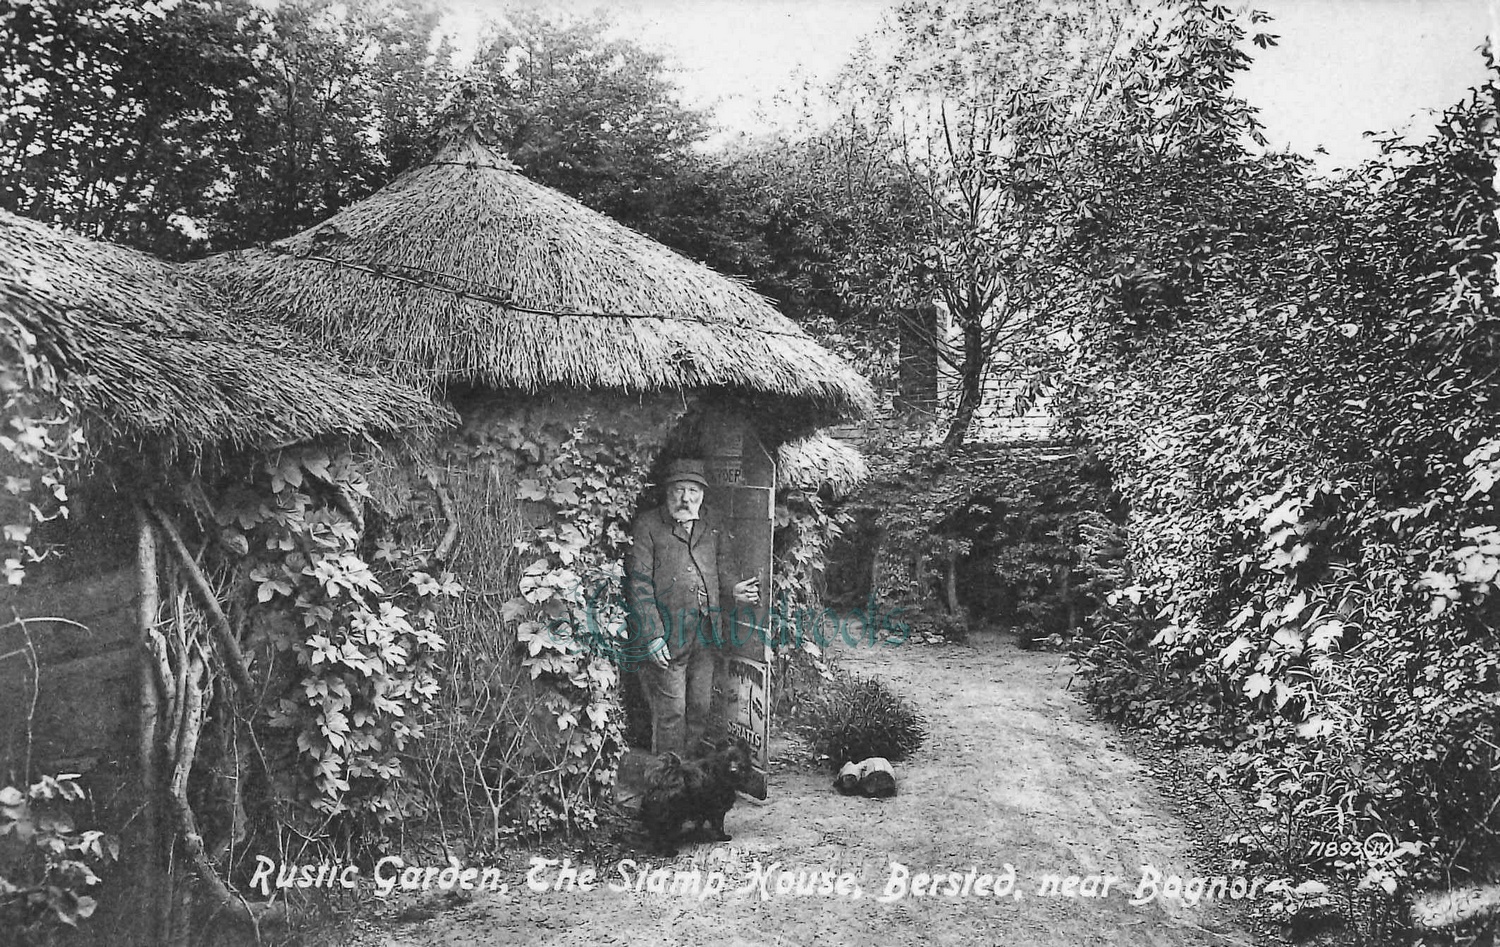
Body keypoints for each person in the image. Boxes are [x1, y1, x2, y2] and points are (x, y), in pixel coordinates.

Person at [626, 458, 759, 757]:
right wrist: (653, 635)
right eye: (678, 490)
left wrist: (732, 589)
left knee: (700, 707)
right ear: (666, 492)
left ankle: (688, 779)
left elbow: (721, 565)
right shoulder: (648, 526)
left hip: (706, 633)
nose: (686, 499)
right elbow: (639, 584)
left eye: (693, 491)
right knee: (672, 712)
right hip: (668, 636)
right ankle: (666, 784)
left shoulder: (711, 523)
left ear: (703, 494)